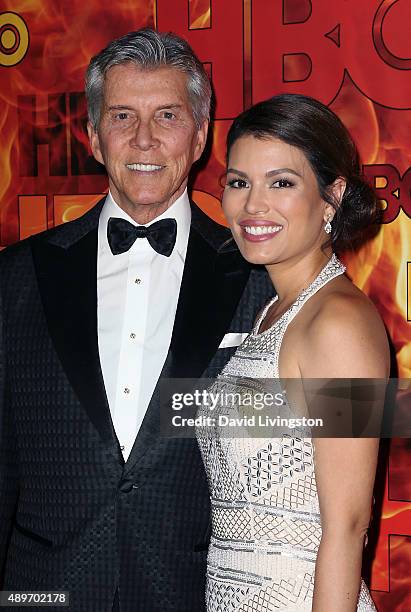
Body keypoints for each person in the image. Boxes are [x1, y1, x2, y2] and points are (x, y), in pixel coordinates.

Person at [0, 29, 273, 611]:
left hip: (192, 593)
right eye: (123, 115)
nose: (144, 138)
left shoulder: (261, 279)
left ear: (200, 136)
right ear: (95, 138)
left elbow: (339, 423)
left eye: (167, 115)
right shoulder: (15, 279)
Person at [196, 94, 390, 611]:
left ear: (332, 196)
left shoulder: (341, 323)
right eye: (240, 182)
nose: (253, 205)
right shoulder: (273, 312)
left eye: (281, 183)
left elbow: (348, 528)